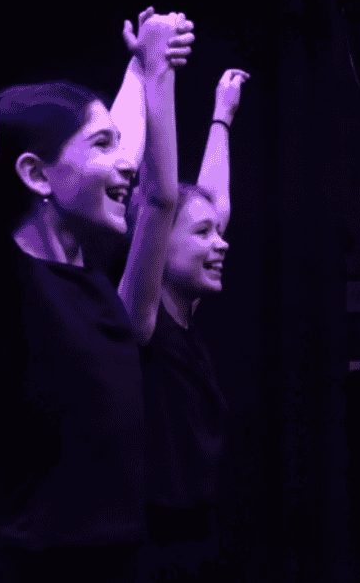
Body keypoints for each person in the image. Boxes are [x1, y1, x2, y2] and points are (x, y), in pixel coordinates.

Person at [0, 9, 193, 583]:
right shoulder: (3, 281)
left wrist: (144, 70)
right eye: (101, 145)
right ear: (35, 176)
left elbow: (156, 190)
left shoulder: (103, 296)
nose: (124, 162)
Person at [138, 69, 249, 578]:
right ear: (160, 241)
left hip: (202, 544)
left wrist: (222, 115)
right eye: (202, 234)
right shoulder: (142, 321)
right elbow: (162, 201)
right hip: (153, 552)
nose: (220, 242)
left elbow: (215, 207)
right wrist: (157, 74)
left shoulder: (184, 317)